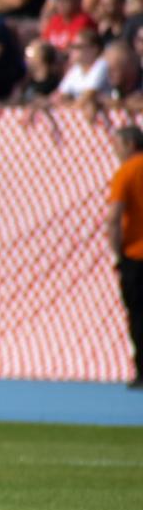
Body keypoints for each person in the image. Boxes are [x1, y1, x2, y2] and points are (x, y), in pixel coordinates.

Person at [108, 126, 143, 389]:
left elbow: (115, 217)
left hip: (136, 255)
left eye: (118, 145)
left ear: (130, 145)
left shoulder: (127, 173)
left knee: (138, 315)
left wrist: (117, 251)